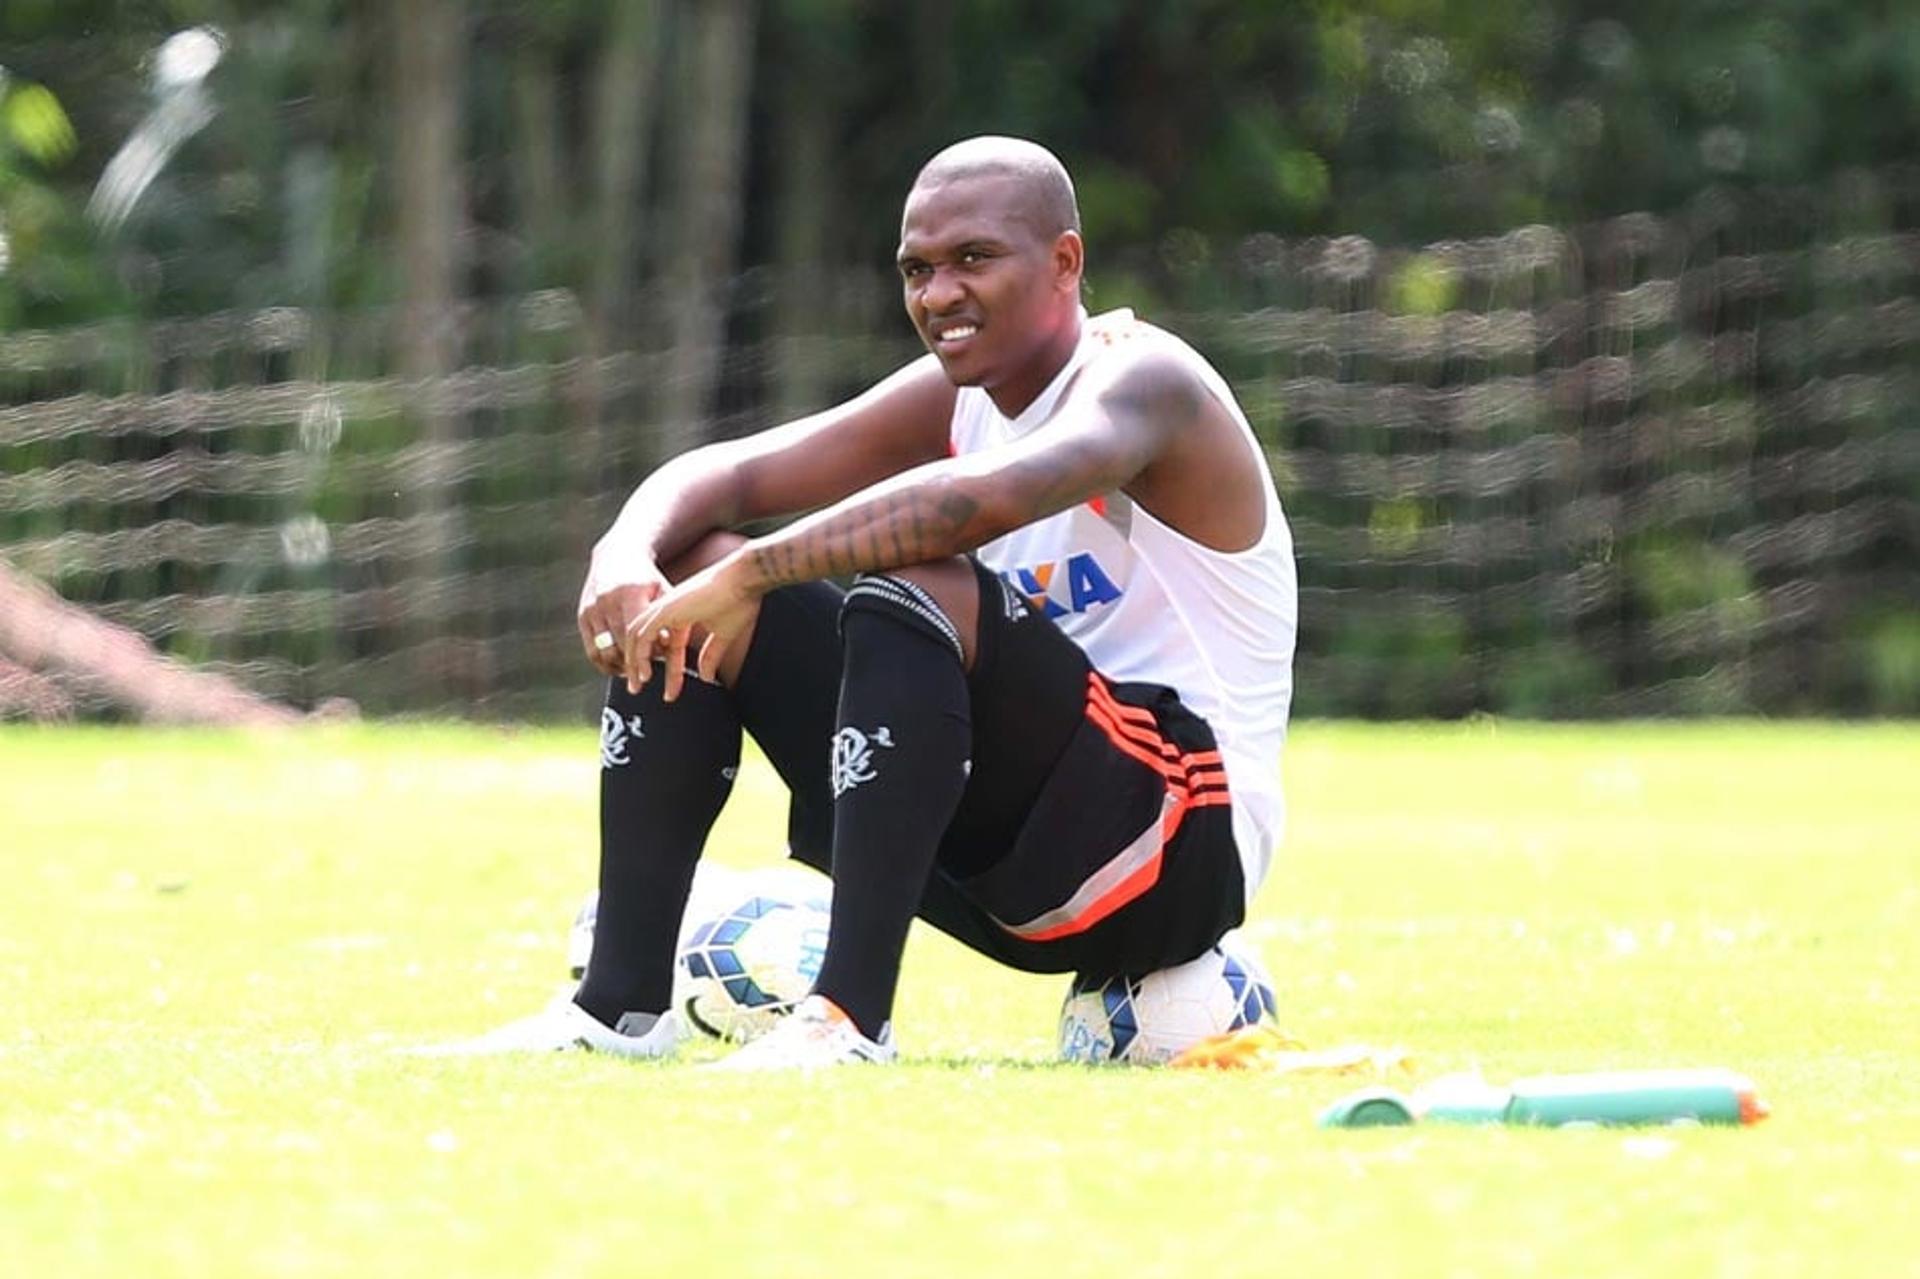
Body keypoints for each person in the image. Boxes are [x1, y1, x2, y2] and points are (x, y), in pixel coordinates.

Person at [454, 135, 1296, 1067]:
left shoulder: (1147, 381)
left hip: (1179, 847)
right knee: (697, 559)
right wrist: (627, 547)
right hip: (1010, 854)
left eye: (973, 259)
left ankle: (849, 1019)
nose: (938, 294)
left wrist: (754, 574)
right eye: (917, 269)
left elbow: (977, 502)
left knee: (914, 580)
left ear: (1065, 262)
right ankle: (616, 1011)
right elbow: (728, 472)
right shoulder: (960, 395)